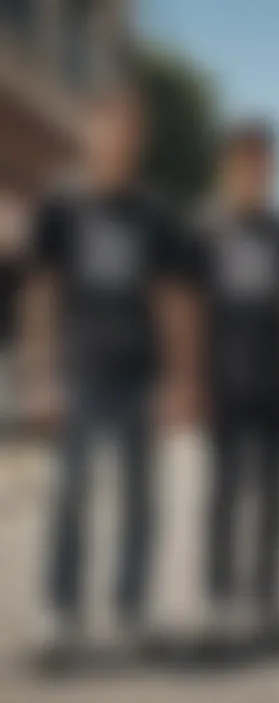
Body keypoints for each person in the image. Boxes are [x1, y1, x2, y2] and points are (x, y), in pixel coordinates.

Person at [24, 85, 195, 649]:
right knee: (70, 495)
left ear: (139, 139)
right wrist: (41, 377)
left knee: (141, 501)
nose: (118, 137)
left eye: (130, 128)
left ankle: (131, 607)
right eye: (109, 125)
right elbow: (42, 296)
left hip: (141, 373)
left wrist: (178, 380)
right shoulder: (61, 206)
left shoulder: (155, 213)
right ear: (90, 132)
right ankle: (61, 609)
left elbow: (171, 303)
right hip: (79, 371)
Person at [188, 121, 279, 633]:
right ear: (225, 166)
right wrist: (191, 380)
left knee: (276, 495)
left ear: (274, 169)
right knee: (223, 494)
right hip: (222, 380)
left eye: (263, 162)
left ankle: (265, 595)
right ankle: (219, 597)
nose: (254, 170)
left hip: (278, 382)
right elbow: (188, 312)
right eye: (243, 160)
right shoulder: (201, 230)